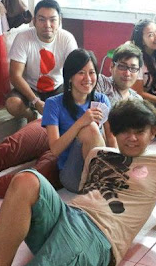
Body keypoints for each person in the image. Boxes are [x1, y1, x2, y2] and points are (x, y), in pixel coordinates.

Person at [0, 99, 156, 266]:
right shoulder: (97, 154)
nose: (132, 138)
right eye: (125, 132)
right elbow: (85, 195)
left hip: (99, 234)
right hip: (68, 215)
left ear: (152, 132)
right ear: (114, 132)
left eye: (139, 132)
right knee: (25, 179)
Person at [42, 48, 111, 193]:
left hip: (98, 169)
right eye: (81, 73)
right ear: (70, 77)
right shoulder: (53, 104)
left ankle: (104, 181)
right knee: (90, 128)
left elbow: (111, 139)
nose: (88, 78)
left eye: (92, 72)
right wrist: (81, 122)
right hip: (72, 175)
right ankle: (103, 185)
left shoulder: (101, 100)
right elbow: (55, 150)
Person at [98, 42, 156, 147]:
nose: (127, 73)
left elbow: (147, 122)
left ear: (138, 72)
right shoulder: (102, 83)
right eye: (122, 67)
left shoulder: (136, 99)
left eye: (133, 68)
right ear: (112, 67)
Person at [6, 0, 78, 121]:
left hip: (58, 87)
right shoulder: (23, 38)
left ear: (59, 21)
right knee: (13, 104)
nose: (47, 25)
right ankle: (32, 117)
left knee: (75, 103)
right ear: (34, 21)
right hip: (30, 88)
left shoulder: (67, 38)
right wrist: (35, 101)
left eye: (52, 20)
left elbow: (76, 70)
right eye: (42, 19)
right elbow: (15, 76)